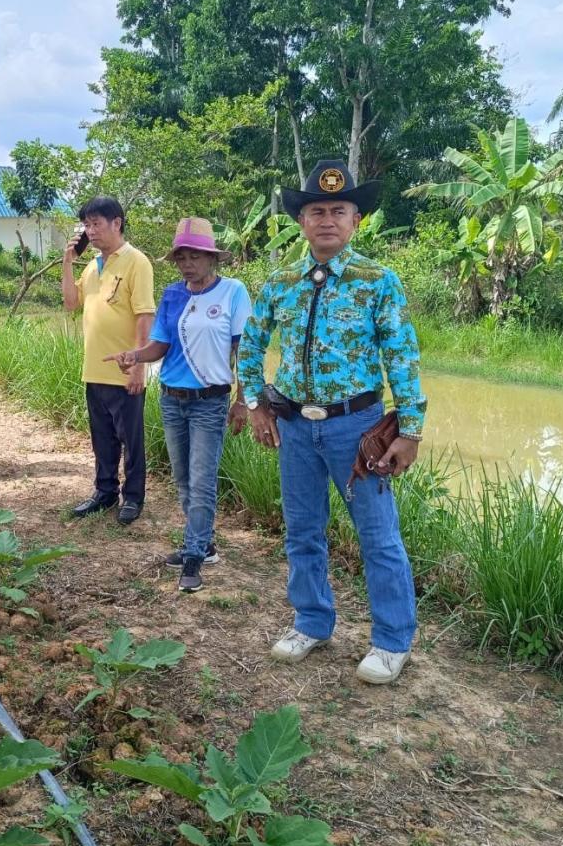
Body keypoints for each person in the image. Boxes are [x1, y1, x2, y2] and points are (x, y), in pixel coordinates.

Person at [237, 159, 426, 685]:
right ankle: (312, 621)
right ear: (302, 220)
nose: (327, 220)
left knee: (378, 537)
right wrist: (254, 403)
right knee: (302, 530)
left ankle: (392, 640)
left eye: (338, 211)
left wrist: (409, 431)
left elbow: (403, 358)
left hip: (357, 428)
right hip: (295, 426)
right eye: (316, 211)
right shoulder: (280, 281)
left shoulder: (377, 282)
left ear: (356, 219)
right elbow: (251, 343)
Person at [105, 218, 251, 592]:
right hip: (171, 398)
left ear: (212, 258)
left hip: (210, 401)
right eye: (182, 257)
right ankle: (204, 543)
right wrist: (134, 357)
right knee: (183, 477)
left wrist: (242, 401)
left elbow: (244, 351)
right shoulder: (172, 295)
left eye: (195, 256)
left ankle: (193, 554)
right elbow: (160, 347)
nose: (188, 263)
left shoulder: (233, 293)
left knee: (202, 479)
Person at [61, 197, 155, 525]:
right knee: (102, 437)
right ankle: (104, 492)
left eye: (96, 223)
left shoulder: (136, 262)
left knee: (131, 439)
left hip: (125, 370)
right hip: (94, 369)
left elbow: (145, 316)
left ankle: (133, 497)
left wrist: (139, 365)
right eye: (86, 225)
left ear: (117, 223)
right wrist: (68, 261)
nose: (91, 230)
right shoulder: (92, 266)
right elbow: (71, 303)